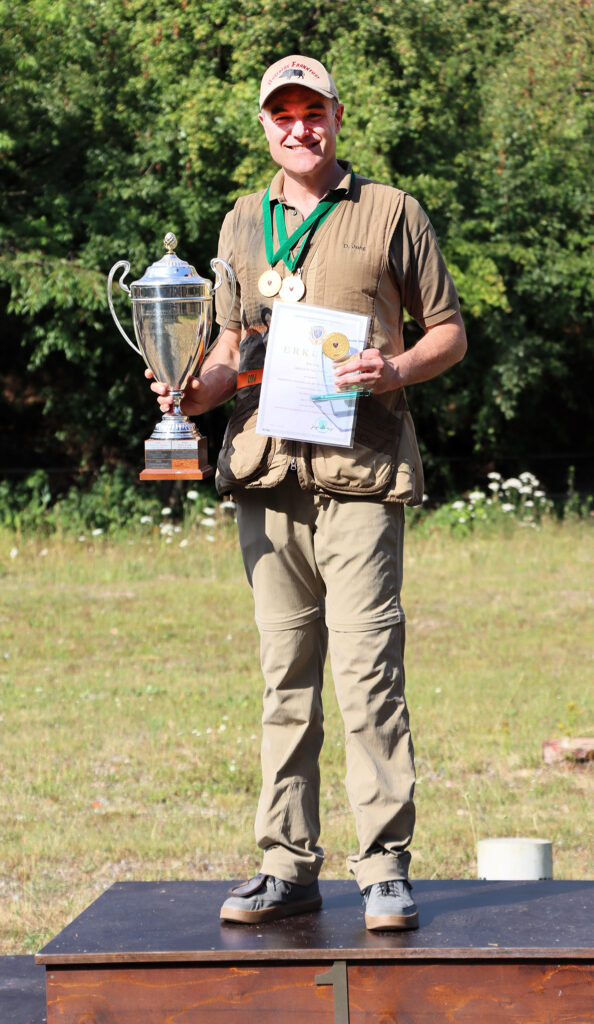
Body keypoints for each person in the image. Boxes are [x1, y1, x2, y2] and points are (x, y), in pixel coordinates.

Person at [149, 54, 467, 931]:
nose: (300, 128)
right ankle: (287, 866)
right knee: (284, 680)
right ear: (265, 125)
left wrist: (394, 368)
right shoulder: (241, 222)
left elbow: (449, 332)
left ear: (336, 116)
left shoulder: (392, 211)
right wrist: (190, 391)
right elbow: (227, 348)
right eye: (282, 114)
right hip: (266, 475)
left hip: (360, 473)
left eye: (312, 112)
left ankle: (384, 869)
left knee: (368, 676)